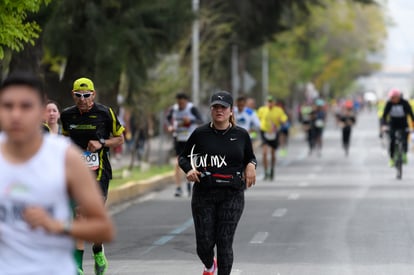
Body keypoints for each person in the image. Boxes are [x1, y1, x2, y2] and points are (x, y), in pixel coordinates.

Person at [0, 72, 114, 274]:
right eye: (8, 106)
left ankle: (83, 261)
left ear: (40, 110)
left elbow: (104, 228)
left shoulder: (65, 155)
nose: (16, 115)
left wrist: (57, 226)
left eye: (25, 106)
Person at [178, 90, 256, 275]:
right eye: (215, 107)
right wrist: (189, 170)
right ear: (211, 110)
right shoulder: (200, 134)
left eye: (223, 107)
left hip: (232, 194)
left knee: (224, 241)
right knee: (204, 244)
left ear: (231, 111)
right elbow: (183, 158)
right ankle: (209, 265)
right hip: (204, 193)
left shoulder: (241, 135)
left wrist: (251, 165)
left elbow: (250, 157)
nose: (219, 110)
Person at [60, 77, 125, 275]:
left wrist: (102, 143)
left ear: (93, 95)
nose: (83, 99)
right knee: (79, 214)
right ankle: (77, 266)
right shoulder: (67, 115)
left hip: (99, 171)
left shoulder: (105, 113)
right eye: (78, 95)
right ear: (73, 95)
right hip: (75, 171)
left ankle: (97, 248)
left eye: (87, 95)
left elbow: (120, 138)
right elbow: (63, 139)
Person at [166, 92, 203, 197]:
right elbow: (167, 119)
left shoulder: (191, 108)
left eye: (182, 103)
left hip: (190, 139)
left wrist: (190, 121)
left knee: (191, 162)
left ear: (186, 101)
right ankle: (178, 187)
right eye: (179, 103)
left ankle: (189, 184)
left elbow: (200, 120)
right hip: (178, 139)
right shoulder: (174, 109)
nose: (180, 106)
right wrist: (170, 126)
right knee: (178, 163)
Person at [257, 96, 288, 180]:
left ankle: (272, 169)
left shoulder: (278, 110)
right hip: (264, 132)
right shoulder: (262, 110)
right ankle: (266, 171)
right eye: (268, 101)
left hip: (274, 133)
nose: (270, 103)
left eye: (271, 101)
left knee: (273, 153)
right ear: (266, 102)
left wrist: (282, 120)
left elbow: (284, 119)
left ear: (274, 102)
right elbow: (257, 118)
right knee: (264, 153)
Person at [381, 88, 414, 167]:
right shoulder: (389, 104)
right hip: (392, 124)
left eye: (394, 98)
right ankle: (392, 158)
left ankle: (404, 154)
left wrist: (412, 125)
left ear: (398, 97)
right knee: (392, 141)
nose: (393, 100)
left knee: (405, 139)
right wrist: (384, 125)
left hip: (403, 124)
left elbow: (411, 114)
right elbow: (384, 116)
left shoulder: (404, 103)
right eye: (391, 98)